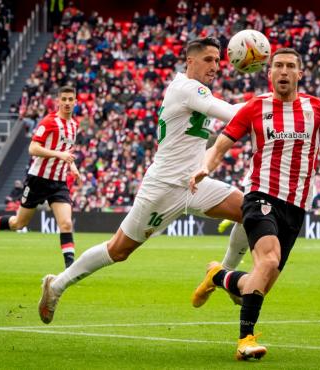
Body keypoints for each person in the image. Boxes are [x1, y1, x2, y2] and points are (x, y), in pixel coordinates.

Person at [37, 37, 251, 325]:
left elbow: (219, 114)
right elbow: (232, 113)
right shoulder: (189, 88)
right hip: (163, 187)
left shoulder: (193, 91)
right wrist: (272, 105)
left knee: (251, 211)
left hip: (193, 183)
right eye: (209, 60)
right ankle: (57, 285)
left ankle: (223, 276)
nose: (215, 66)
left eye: (217, 60)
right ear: (190, 61)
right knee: (118, 250)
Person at [189, 48, 320, 361]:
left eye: (291, 66)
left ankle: (217, 276)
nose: (284, 71)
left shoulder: (318, 110)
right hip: (260, 195)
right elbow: (221, 145)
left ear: (300, 74)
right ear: (270, 72)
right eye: (278, 66)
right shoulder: (254, 107)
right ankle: (245, 340)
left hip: (296, 206)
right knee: (269, 259)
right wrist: (206, 167)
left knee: (257, 282)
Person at [0, 86, 81, 269]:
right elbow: (33, 148)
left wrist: (72, 166)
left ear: (75, 102)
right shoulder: (49, 122)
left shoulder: (74, 125)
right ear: (58, 101)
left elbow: (66, 151)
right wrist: (59, 156)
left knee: (66, 223)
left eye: (71, 99)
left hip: (59, 182)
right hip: (38, 180)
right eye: (64, 99)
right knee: (19, 223)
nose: (67, 103)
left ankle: (70, 269)